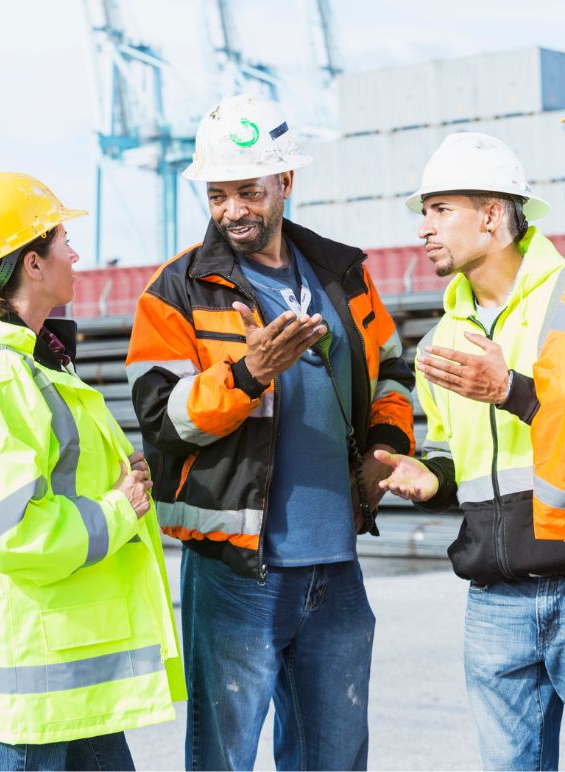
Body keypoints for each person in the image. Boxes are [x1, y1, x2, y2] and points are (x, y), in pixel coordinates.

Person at [126, 93, 415, 771]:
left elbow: (391, 370)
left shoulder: (343, 275)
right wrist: (248, 373)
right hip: (235, 571)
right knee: (223, 759)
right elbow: (162, 423)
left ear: (285, 182)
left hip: (334, 565)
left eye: (248, 191)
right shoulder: (175, 291)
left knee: (334, 758)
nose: (232, 210)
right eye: (217, 193)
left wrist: (387, 447)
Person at [0, 172, 185, 771]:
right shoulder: (1, 372)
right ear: (31, 264)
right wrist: (118, 508)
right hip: (37, 677)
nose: (76, 254)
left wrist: (116, 477)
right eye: (64, 240)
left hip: (63, 669)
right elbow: (7, 527)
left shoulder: (29, 359)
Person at [375, 132, 565, 771]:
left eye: (439, 210)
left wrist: (510, 389)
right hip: (493, 599)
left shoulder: (564, 302)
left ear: (491, 214)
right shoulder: (439, 341)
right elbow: (457, 454)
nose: (423, 230)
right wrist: (430, 477)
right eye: (423, 213)